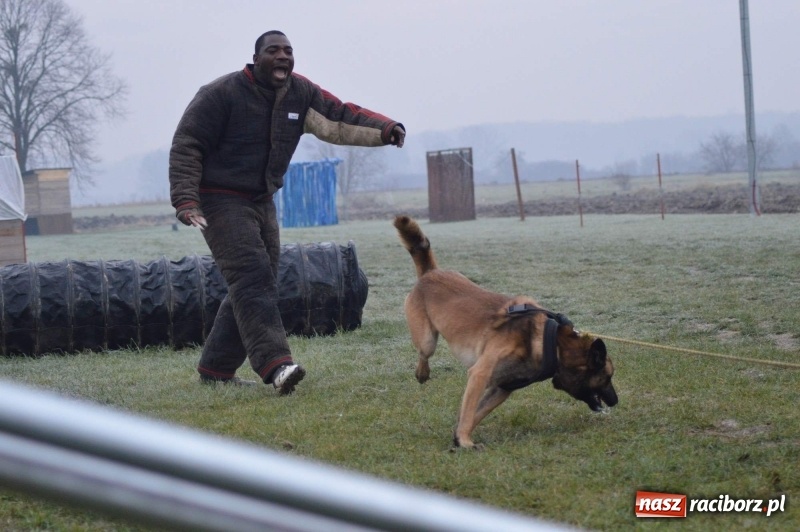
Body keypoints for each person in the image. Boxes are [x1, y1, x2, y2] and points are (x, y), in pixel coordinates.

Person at [169, 30, 405, 394]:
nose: (283, 56)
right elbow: (188, 144)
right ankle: (277, 365)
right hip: (219, 199)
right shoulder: (221, 93)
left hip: (262, 199)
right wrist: (186, 200)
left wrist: (385, 129)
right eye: (273, 50)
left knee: (257, 281)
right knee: (252, 276)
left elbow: (339, 117)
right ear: (256, 59)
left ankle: (216, 369)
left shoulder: (300, 92)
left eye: (288, 51)